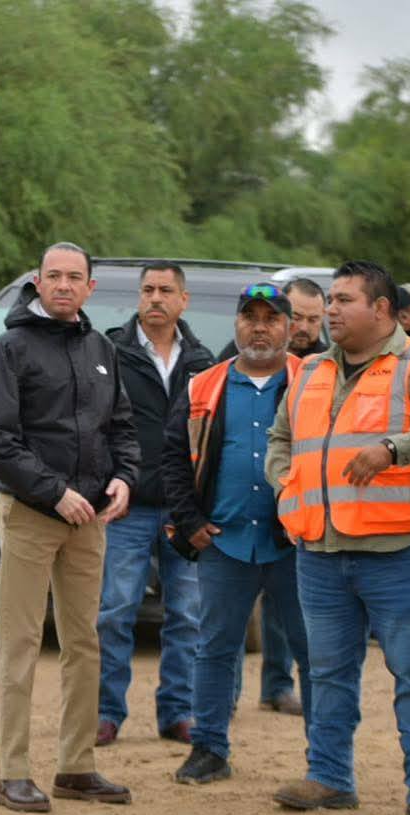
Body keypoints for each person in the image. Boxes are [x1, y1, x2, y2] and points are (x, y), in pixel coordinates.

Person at [267, 259, 410, 815]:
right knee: (327, 672)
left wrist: (392, 449)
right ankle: (329, 777)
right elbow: (282, 438)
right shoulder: (307, 372)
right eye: (329, 300)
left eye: (344, 300)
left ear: (381, 309)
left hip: (402, 553)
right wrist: (286, 489)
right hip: (321, 553)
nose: (330, 310)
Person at [0, 241, 141, 813]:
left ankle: (77, 766)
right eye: (54, 276)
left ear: (91, 287)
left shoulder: (101, 348)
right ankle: (13, 772)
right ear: (38, 282)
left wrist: (125, 477)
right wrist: (54, 492)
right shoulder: (10, 348)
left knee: (84, 642)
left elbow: (120, 425)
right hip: (30, 514)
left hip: (91, 517)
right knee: (20, 643)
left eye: (75, 277)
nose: (65, 285)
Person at [163, 282, 313, 786]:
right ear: (236, 324)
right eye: (250, 316)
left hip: (295, 543)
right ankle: (209, 748)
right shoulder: (202, 385)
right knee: (214, 648)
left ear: (290, 329)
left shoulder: (314, 381)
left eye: (272, 318)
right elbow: (173, 460)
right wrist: (190, 523)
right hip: (224, 541)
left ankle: (327, 758)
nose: (260, 326)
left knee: (314, 651)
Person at [95, 261, 215, 747]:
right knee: (115, 611)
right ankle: (107, 713)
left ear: (184, 300)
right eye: (148, 289)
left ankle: (177, 713)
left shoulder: (203, 361)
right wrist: (110, 482)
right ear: (138, 297)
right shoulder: (111, 352)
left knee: (187, 614)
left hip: (184, 509)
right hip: (128, 505)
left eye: (167, 290)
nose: (156, 298)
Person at [216, 278, 326, 715]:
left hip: (299, 526)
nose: (304, 326)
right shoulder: (229, 367)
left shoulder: (322, 368)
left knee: (299, 625)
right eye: (297, 317)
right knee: (223, 634)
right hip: (235, 526)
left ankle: (287, 697)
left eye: (313, 319)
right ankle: (227, 713)